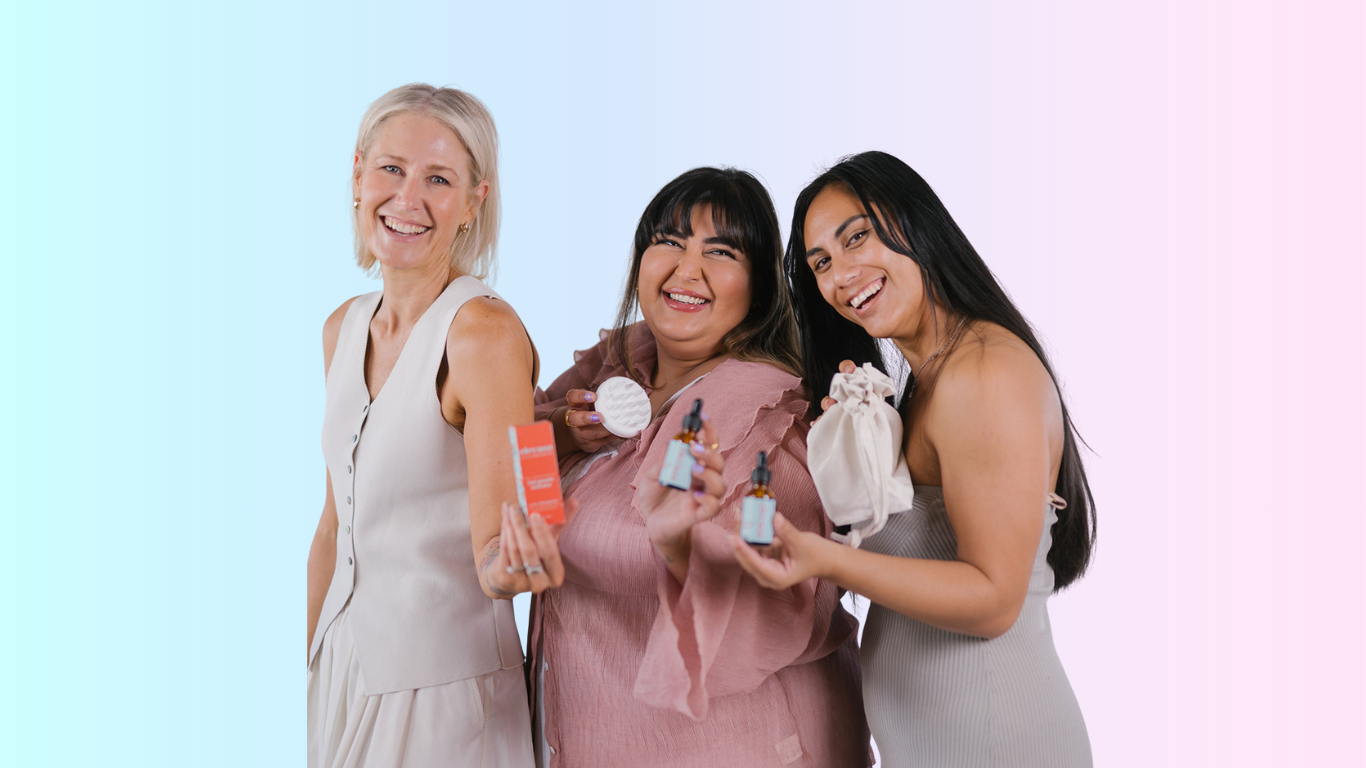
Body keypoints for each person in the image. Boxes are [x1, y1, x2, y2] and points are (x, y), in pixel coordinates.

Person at [733, 151, 1095, 767]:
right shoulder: (927, 381)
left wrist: (828, 560)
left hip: (995, 741)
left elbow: (992, 599)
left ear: (917, 225)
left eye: (857, 238)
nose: (841, 274)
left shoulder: (983, 372)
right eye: (821, 262)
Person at [514, 167, 870, 767]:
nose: (687, 269)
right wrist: (560, 437)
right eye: (669, 242)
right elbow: (522, 494)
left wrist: (675, 534)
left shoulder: (766, 415)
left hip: (733, 747)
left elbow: (775, 599)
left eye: (721, 251)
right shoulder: (618, 365)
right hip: (588, 731)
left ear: (759, 286)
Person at [306, 83, 558, 768]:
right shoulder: (342, 327)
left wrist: (518, 566)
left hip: (445, 695)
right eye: (391, 168)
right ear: (357, 174)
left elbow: (501, 535)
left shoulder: (484, 334)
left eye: (438, 179)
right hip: (344, 675)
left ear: (474, 200)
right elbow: (334, 527)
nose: (407, 198)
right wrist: (313, 667)